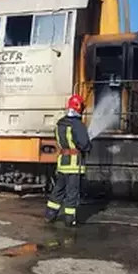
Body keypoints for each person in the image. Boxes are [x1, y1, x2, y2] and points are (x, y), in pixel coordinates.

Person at [46, 94, 91, 226]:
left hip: (62, 163)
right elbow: (83, 144)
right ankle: (69, 219)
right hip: (74, 164)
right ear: (78, 108)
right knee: (72, 192)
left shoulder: (60, 123)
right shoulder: (77, 125)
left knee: (58, 189)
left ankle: (50, 214)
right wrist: (88, 146)